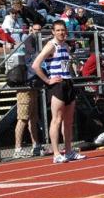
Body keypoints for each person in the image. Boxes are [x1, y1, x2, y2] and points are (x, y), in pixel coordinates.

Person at [32, 20, 86, 164]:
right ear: (53, 32)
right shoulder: (51, 45)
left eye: (63, 30)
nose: (61, 32)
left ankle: (68, 151)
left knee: (68, 121)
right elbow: (36, 64)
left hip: (68, 83)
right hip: (57, 85)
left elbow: (67, 65)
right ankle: (56, 153)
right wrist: (47, 80)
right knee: (56, 119)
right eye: (58, 30)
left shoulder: (66, 46)